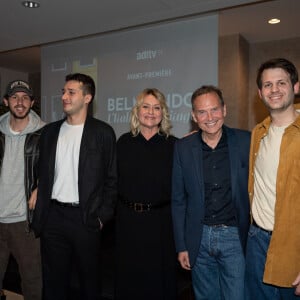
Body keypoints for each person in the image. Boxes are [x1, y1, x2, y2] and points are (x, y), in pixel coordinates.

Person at [31, 73, 117, 300]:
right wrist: (38, 190)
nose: (64, 97)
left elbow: (112, 179)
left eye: (71, 92)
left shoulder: (102, 133)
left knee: (89, 283)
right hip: (53, 217)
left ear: (87, 98)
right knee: (53, 283)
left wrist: (101, 217)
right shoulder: (50, 132)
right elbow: (43, 171)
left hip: (86, 218)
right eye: (63, 92)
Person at [172, 85, 250, 300]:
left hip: (235, 237)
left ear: (224, 110)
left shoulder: (246, 142)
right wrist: (182, 246)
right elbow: (178, 200)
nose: (209, 117)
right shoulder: (183, 147)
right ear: (193, 116)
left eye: (214, 109)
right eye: (202, 112)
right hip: (199, 239)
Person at [114, 88, 177, 300]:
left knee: (159, 281)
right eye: (146, 106)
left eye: (157, 107)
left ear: (163, 113)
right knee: (129, 279)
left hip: (161, 223)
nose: (151, 112)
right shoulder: (123, 143)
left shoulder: (175, 145)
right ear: (137, 111)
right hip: (128, 222)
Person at [245, 58, 300, 299]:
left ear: (296, 87)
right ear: (260, 93)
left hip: (293, 245)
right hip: (256, 240)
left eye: (281, 83)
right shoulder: (258, 133)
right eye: (267, 85)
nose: (274, 90)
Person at [0, 80, 44, 300]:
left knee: (33, 281)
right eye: (15, 97)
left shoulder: (44, 134)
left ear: (32, 102)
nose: (20, 102)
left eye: (25, 97)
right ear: (6, 101)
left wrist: (41, 187)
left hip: (24, 223)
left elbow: (56, 169)